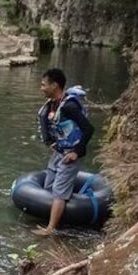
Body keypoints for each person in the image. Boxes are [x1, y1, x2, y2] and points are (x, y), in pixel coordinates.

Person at [34, 68, 95, 236]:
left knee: (59, 193)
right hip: (59, 152)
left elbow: (89, 129)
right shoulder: (53, 104)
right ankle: (59, 217)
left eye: (43, 85)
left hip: (70, 155)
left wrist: (76, 151)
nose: (41, 88)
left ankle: (50, 229)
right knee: (48, 187)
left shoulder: (69, 106)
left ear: (54, 86)